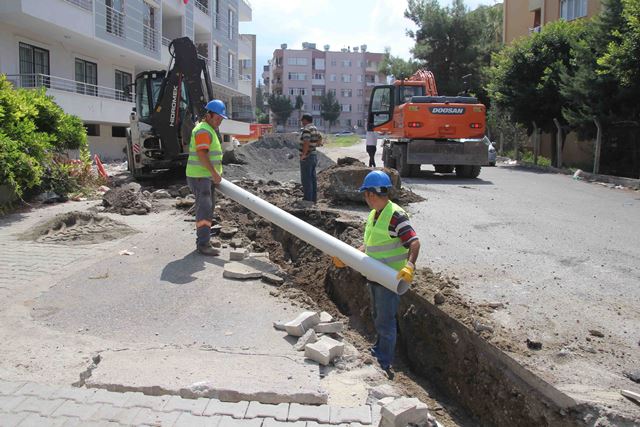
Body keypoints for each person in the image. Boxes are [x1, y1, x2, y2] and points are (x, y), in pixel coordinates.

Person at [332, 171, 420, 378]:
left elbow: (414, 242)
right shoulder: (374, 215)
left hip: (390, 280)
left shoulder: (396, 215)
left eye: (366, 194)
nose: (365, 199)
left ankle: (383, 360)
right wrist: (348, 256)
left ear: (372, 194)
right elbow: (370, 246)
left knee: (385, 322)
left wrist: (410, 266)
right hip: (374, 276)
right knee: (377, 317)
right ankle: (379, 350)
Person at [186, 99, 226, 256]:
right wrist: (215, 174)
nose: (219, 122)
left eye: (221, 119)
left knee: (208, 209)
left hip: (204, 177)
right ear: (208, 115)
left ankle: (204, 240)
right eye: (217, 118)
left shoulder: (209, 129)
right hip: (200, 177)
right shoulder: (203, 130)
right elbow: (202, 154)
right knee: (204, 210)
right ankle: (203, 244)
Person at [299, 113, 322, 202]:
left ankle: (308, 199)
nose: (301, 122)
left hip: (307, 157)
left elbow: (306, 142)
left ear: (305, 120)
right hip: (313, 155)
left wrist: (304, 154)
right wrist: (316, 144)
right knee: (312, 178)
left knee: (306, 178)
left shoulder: (307, 129)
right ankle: (313, 198)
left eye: (302, 120)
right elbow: (320, 138)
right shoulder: (314, 128)